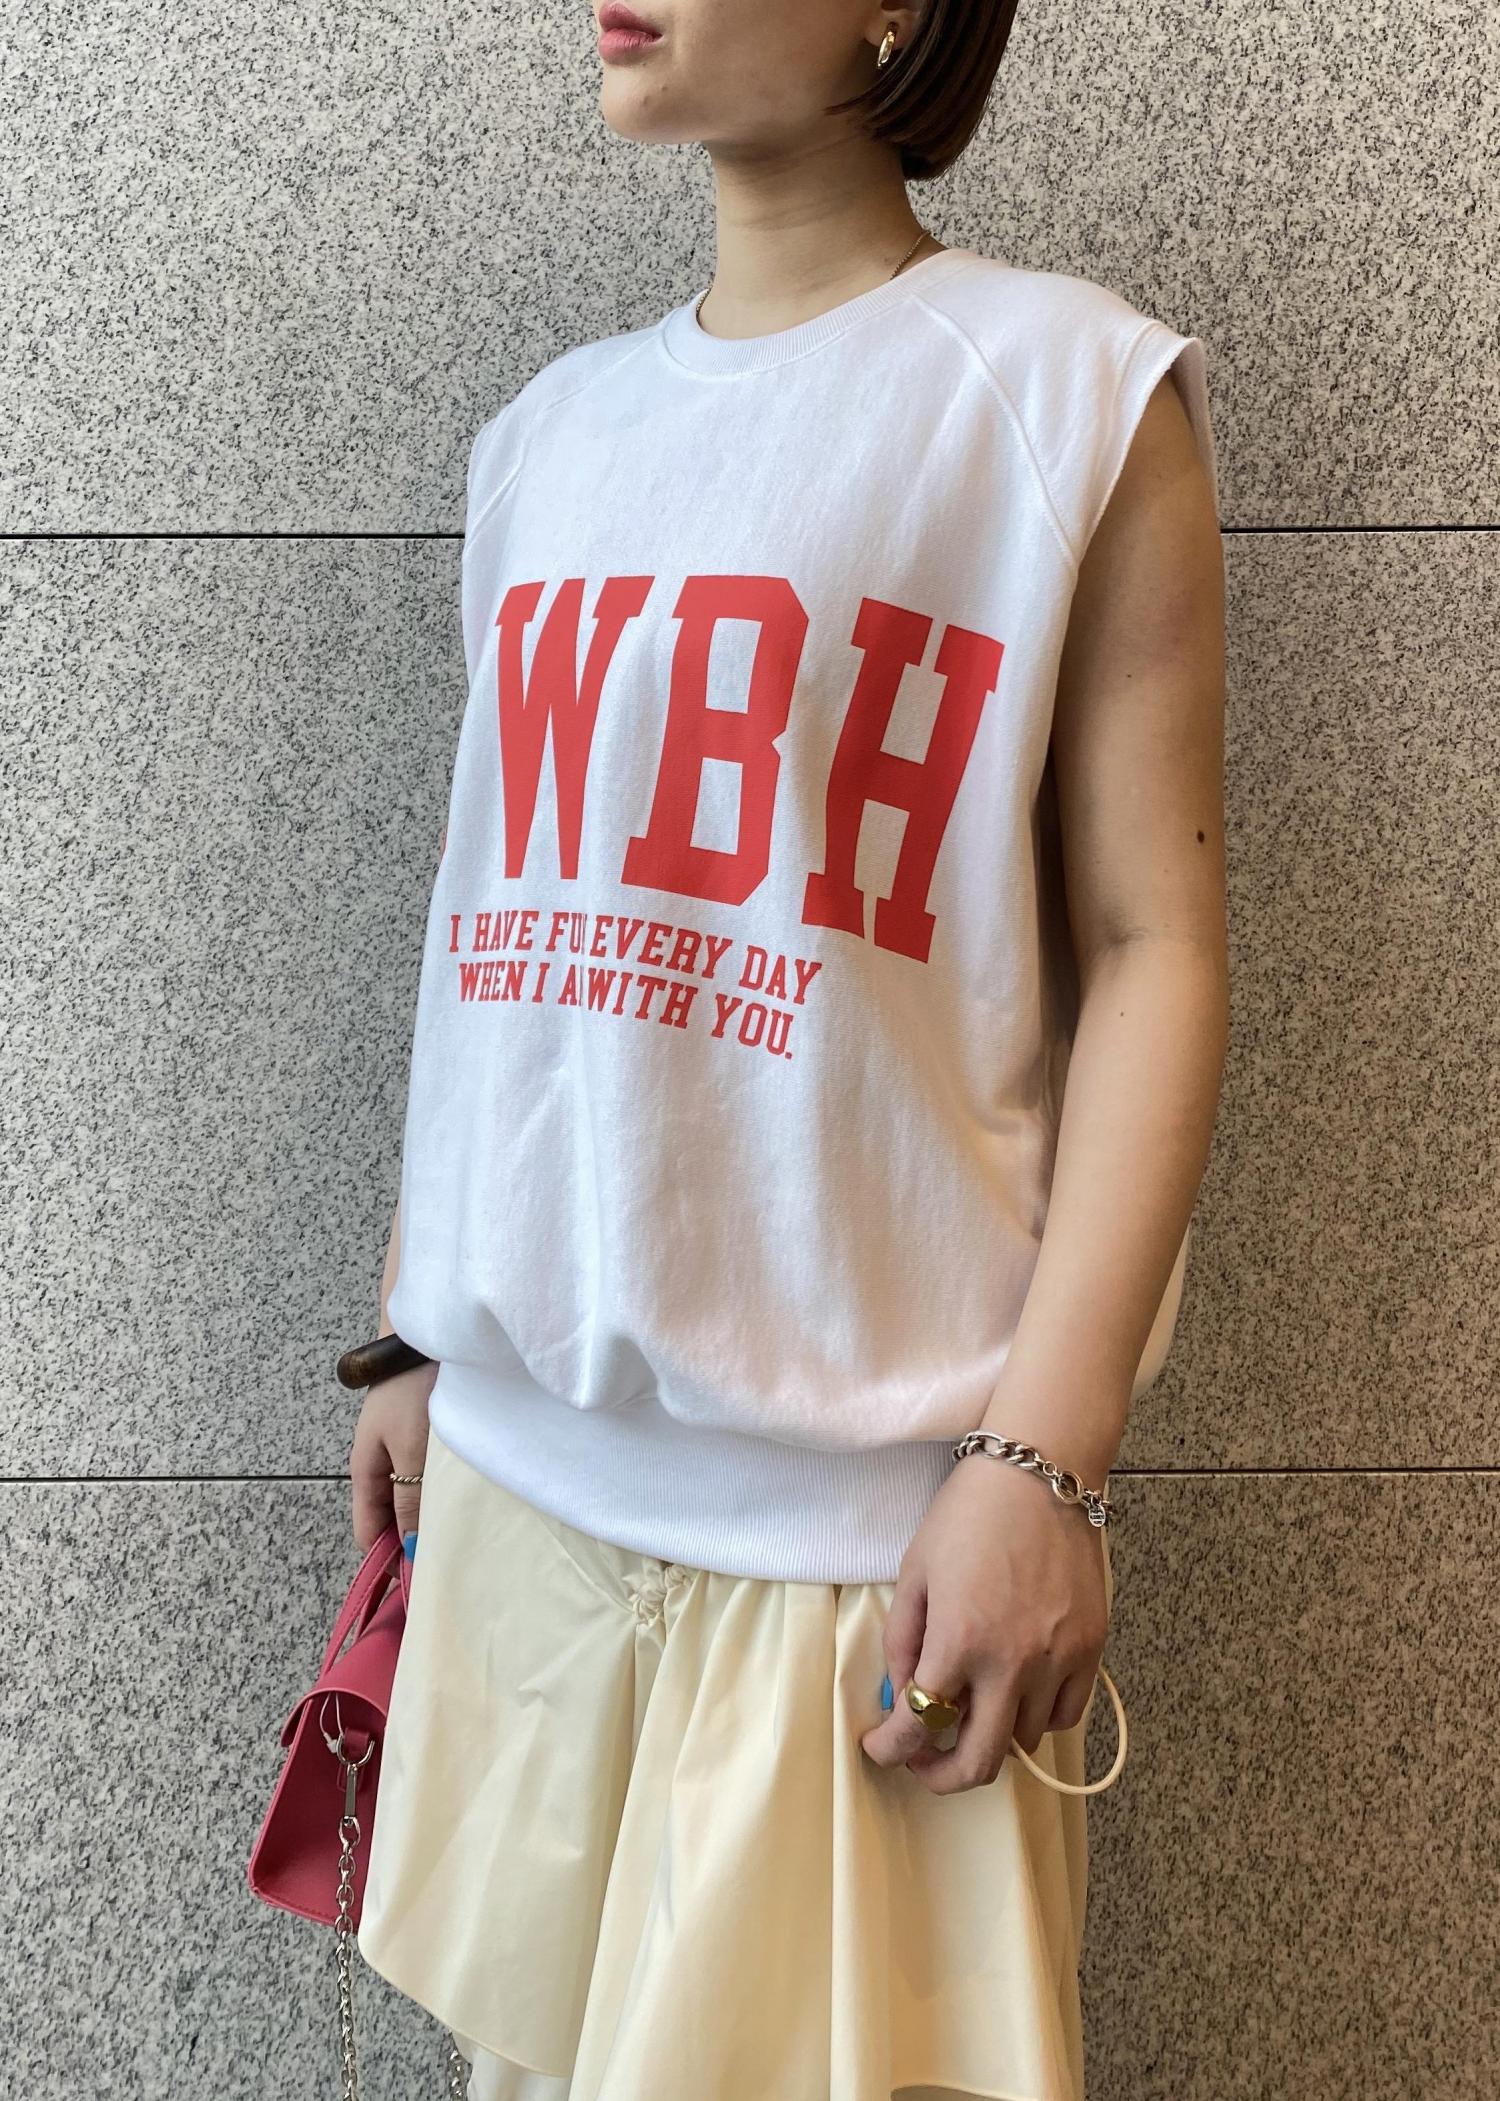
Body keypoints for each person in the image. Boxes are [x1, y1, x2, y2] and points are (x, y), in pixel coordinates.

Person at [349, 2, 1228, 2096]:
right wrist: (413, 1326)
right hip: (523, 1510)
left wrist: (1046, 1463)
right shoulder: (545, 435)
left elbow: (1157, 946)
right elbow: (498, 931)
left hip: (861, 1574)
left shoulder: (1067, 397)